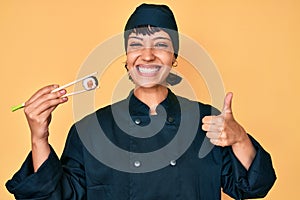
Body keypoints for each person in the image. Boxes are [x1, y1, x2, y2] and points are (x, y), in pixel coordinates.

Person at [6, 3, 276, 200]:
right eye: (136, 44)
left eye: (160, 44)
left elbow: (252, 187)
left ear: (174, 57)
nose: (147, 56)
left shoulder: (207, 122)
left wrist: (239, 137)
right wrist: (39, 138)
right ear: (126, 56)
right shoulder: (90, 130)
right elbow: (57, 197)